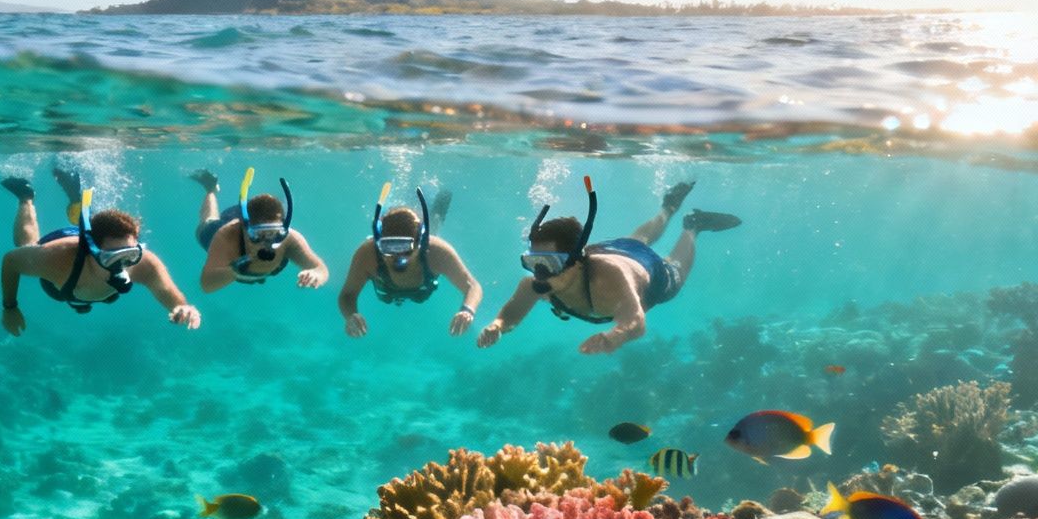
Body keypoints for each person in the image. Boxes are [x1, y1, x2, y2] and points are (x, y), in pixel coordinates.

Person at [477, 177, 739, 355]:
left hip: (642, 269)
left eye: (549, 264)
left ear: (575, 262)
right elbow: (511, 314)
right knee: (637, 239)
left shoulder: (611, 280)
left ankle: (693, 226)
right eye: (532, 262)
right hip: (615, 249)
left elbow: (636, 322)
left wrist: (615, 337)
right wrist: (497, 326)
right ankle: (667, 207)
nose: (538, 273)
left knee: (676, 272)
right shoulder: (536, 285)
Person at [0, 171, 200, 336]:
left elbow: (166, 291)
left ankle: (77, 199)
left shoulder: (142, 263)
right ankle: (26, 198)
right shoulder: (56, 259)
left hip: (91, 250)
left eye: (129, 255)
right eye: (112, 257)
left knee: (95, 226)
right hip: (62, 259)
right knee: (25, 244)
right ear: (90, 252)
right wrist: (10, 307)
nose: (123, 266)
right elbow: (11, 261)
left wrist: (183, 307)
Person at [336, 185, 483, 337]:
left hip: (413, 278)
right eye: (390, 247)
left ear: (420, 243)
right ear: (379, 241)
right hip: (396, 289)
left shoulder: (436, 251)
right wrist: (350, 315)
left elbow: (472, 286)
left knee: (434, 224)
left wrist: (467, 310)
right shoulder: (368, 253)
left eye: (405, 248)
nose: (398, 257)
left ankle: (444, 193)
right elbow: (347, 294)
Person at [191, 167, 329, 292]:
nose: (267, 241)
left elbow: (321, 269)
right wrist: (235, 269)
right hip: (232, 222)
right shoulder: (227, 236)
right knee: (206, 224)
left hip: (251, 216)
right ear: (245, 229)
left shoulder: (289, 238)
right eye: (258, 234)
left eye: (273, 233)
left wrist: (315, 275)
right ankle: (211, 189)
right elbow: (206, 285)